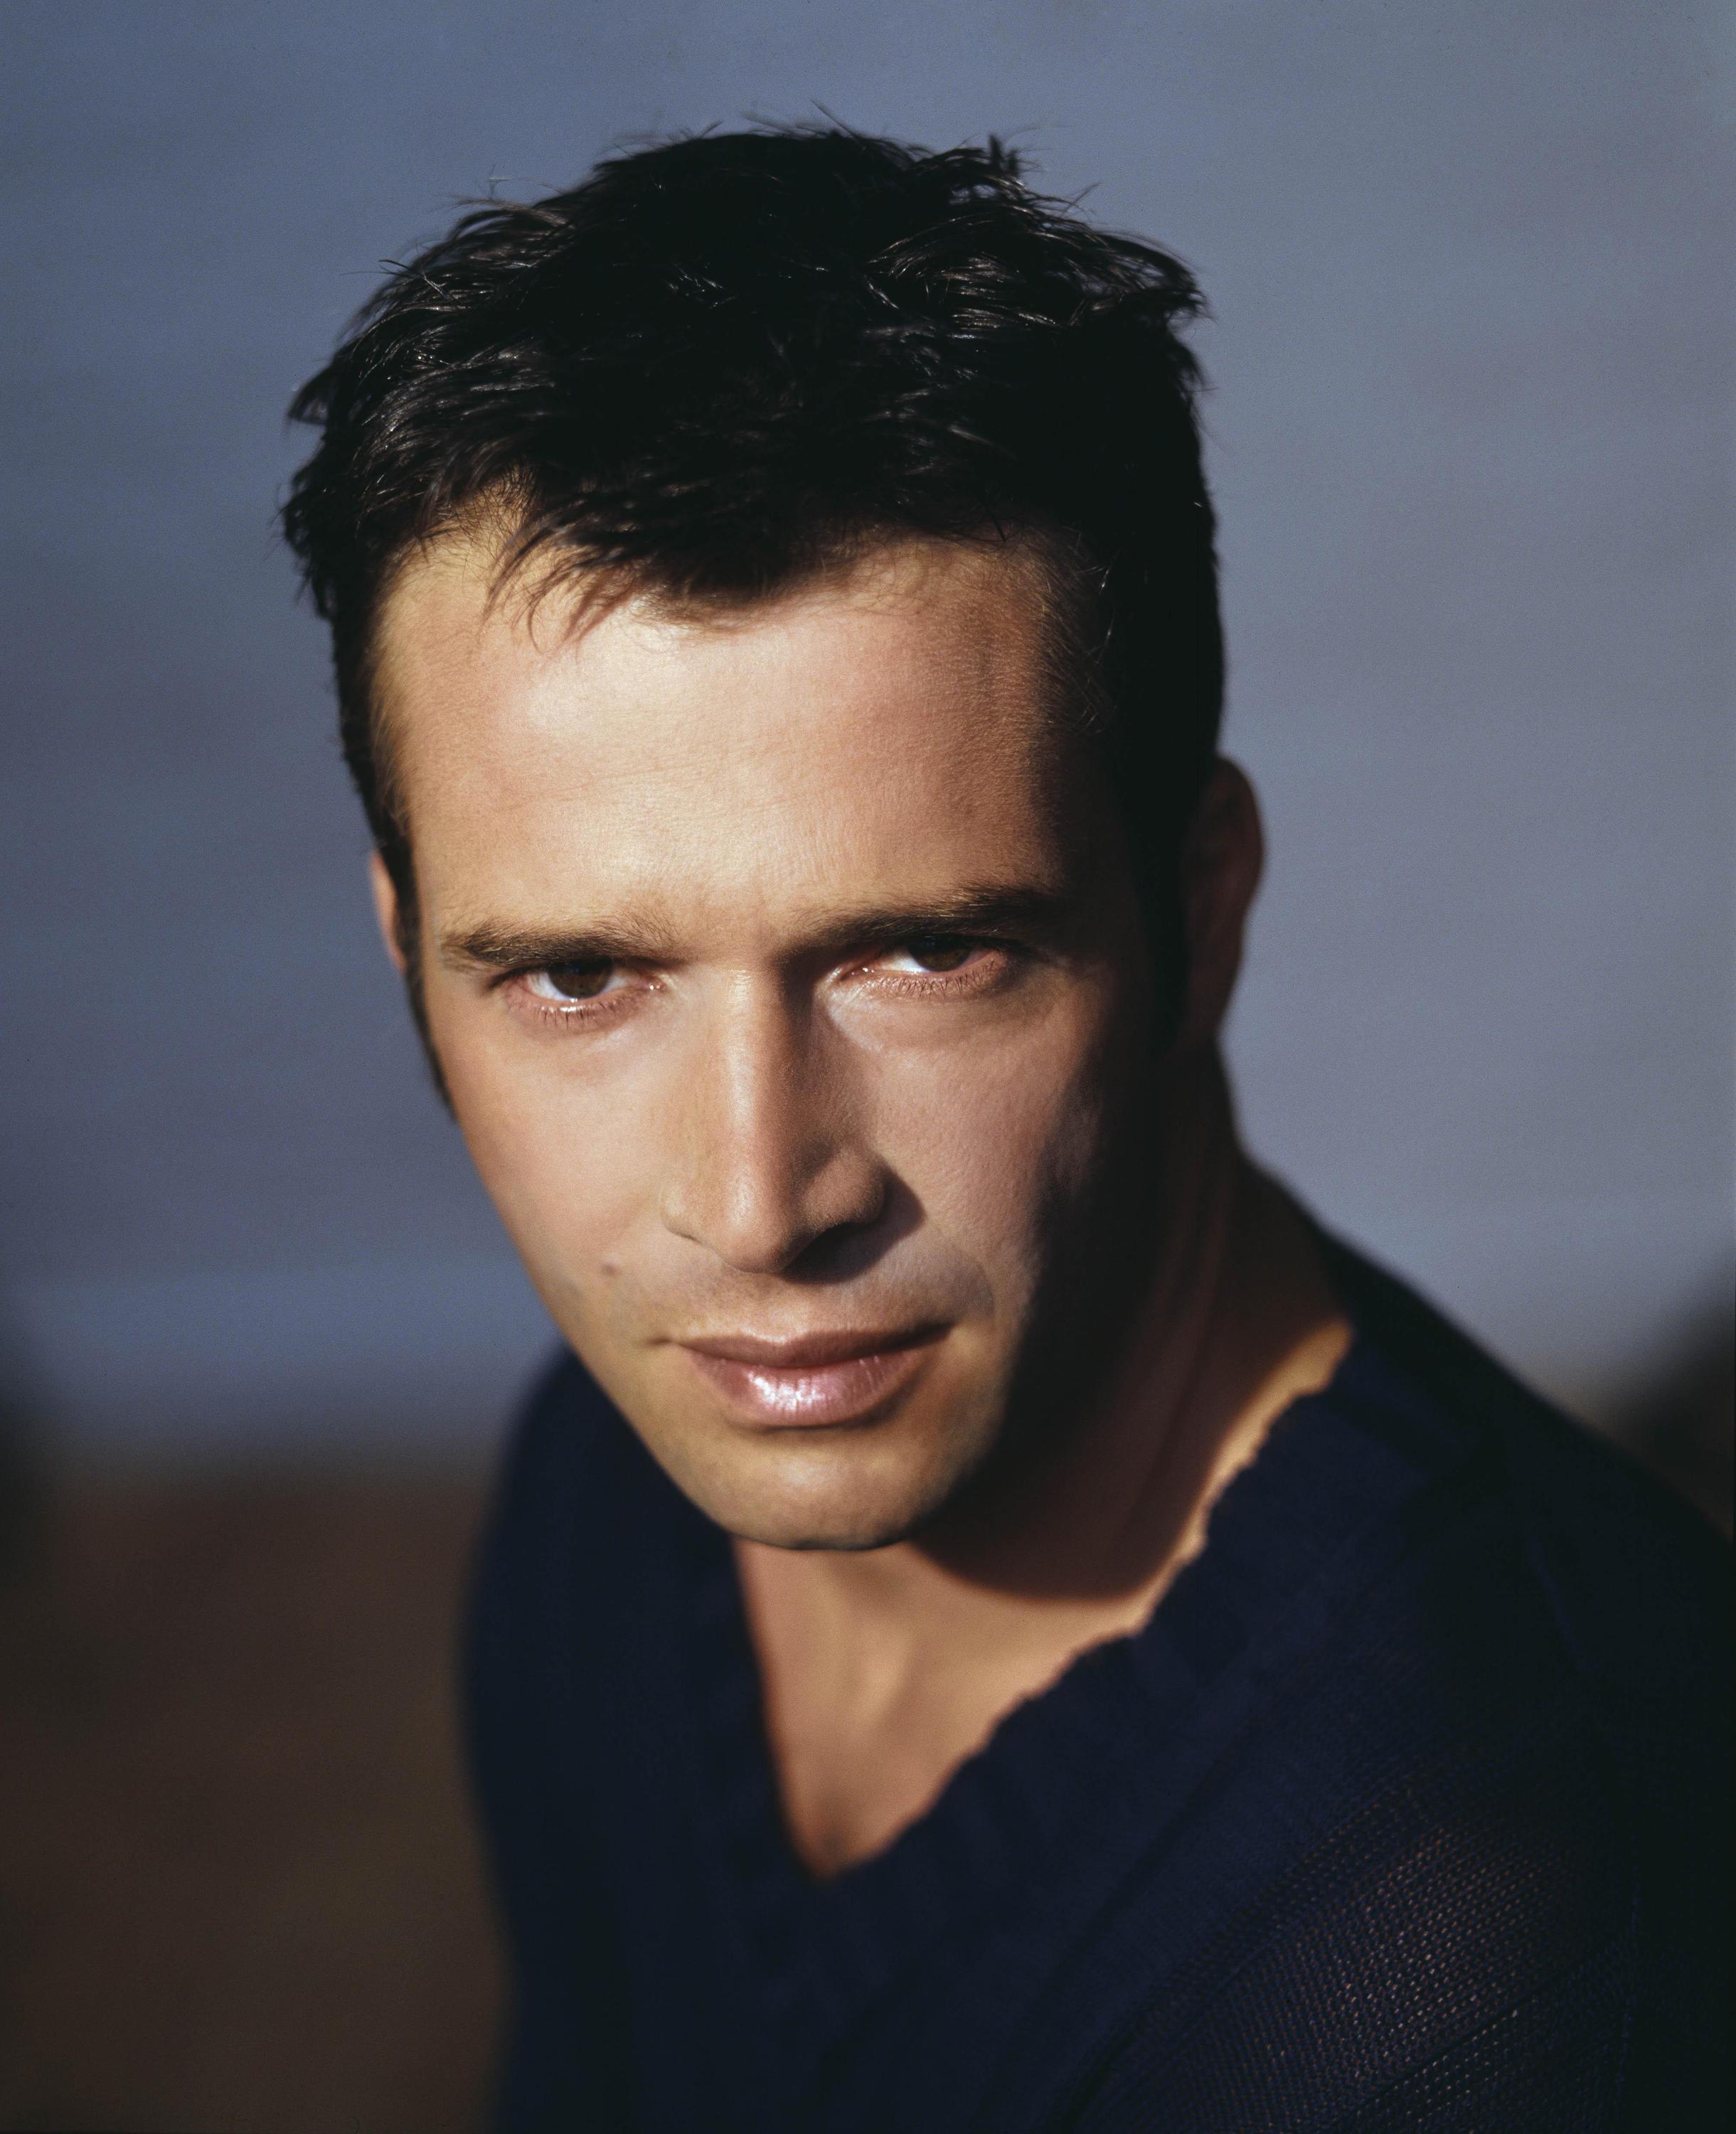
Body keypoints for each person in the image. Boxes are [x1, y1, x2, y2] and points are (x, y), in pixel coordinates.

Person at [282, 127, 1728, 2132]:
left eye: (926, 955)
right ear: (406, 951)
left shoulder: (1497, 1964)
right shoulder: (604, 1497)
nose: (756, 1205)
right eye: (579, 977)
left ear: (1200, 909)